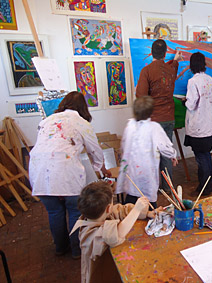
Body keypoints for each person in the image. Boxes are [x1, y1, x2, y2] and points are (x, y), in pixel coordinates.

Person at [29, 91, 111, 259]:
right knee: (74, 211)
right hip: (65, 170)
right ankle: (77, 250)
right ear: (83, 108)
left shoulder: (46, 121)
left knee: (54, 212)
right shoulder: (80, 122)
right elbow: (94, 150)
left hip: (39, 172)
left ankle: (60, 247)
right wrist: (102, 169)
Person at [71, 181, 161, 283]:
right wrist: (136, 210)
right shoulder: (91, 233)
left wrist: (147, 213)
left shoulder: (98, 214)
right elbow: (117, 234)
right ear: (108, 208)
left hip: (111, 266)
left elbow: (121, 210)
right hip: (99, 274)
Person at [136, 39, 182, 192]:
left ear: (151, 53)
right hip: (169, 118)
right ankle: (168, 187)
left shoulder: (146, 71)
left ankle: (151, 187)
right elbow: (173, 70)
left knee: (150, 155)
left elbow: (141, 96)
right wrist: (175, 60)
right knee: (166, 153)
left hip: (152, 121)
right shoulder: (170, 70)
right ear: (165, 53)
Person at [116, 96, 178, 208]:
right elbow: (164, 146)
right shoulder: (154, 127)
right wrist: (173, 155)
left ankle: (129, 221)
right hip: (147, 173)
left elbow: (124, 145)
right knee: (148, 203)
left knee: (130, 202)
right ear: (151, 112)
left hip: (132, 171)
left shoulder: (130, 126)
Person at [183, 52, 212, 196]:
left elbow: (191, 105)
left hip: (198, 124)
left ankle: (205, 187)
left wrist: (184, 101)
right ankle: (206, 184)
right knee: (206, 155)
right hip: (208, 124)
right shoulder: (210, 79)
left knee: (201, 157)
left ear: (192, 65)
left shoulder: (193, 81)